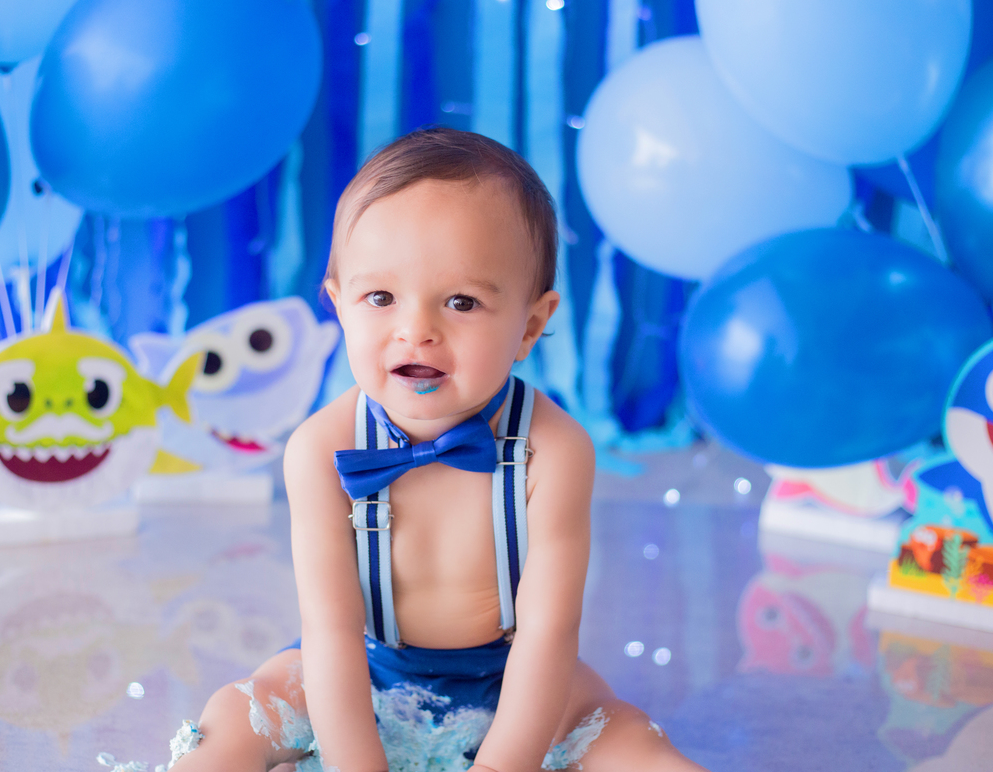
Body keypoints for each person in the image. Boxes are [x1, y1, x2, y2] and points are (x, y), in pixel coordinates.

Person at [167, 127, 705, 772]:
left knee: (633, 742)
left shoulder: (554, 451)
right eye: (380, 297)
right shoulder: (321, 448)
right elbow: (332, 630)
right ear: (340, 306)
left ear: (530, 325)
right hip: (358, 672)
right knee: (233, 720)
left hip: (516, 681)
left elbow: (547, 633)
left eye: (461, 302)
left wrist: (502, 765)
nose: (416, 329)